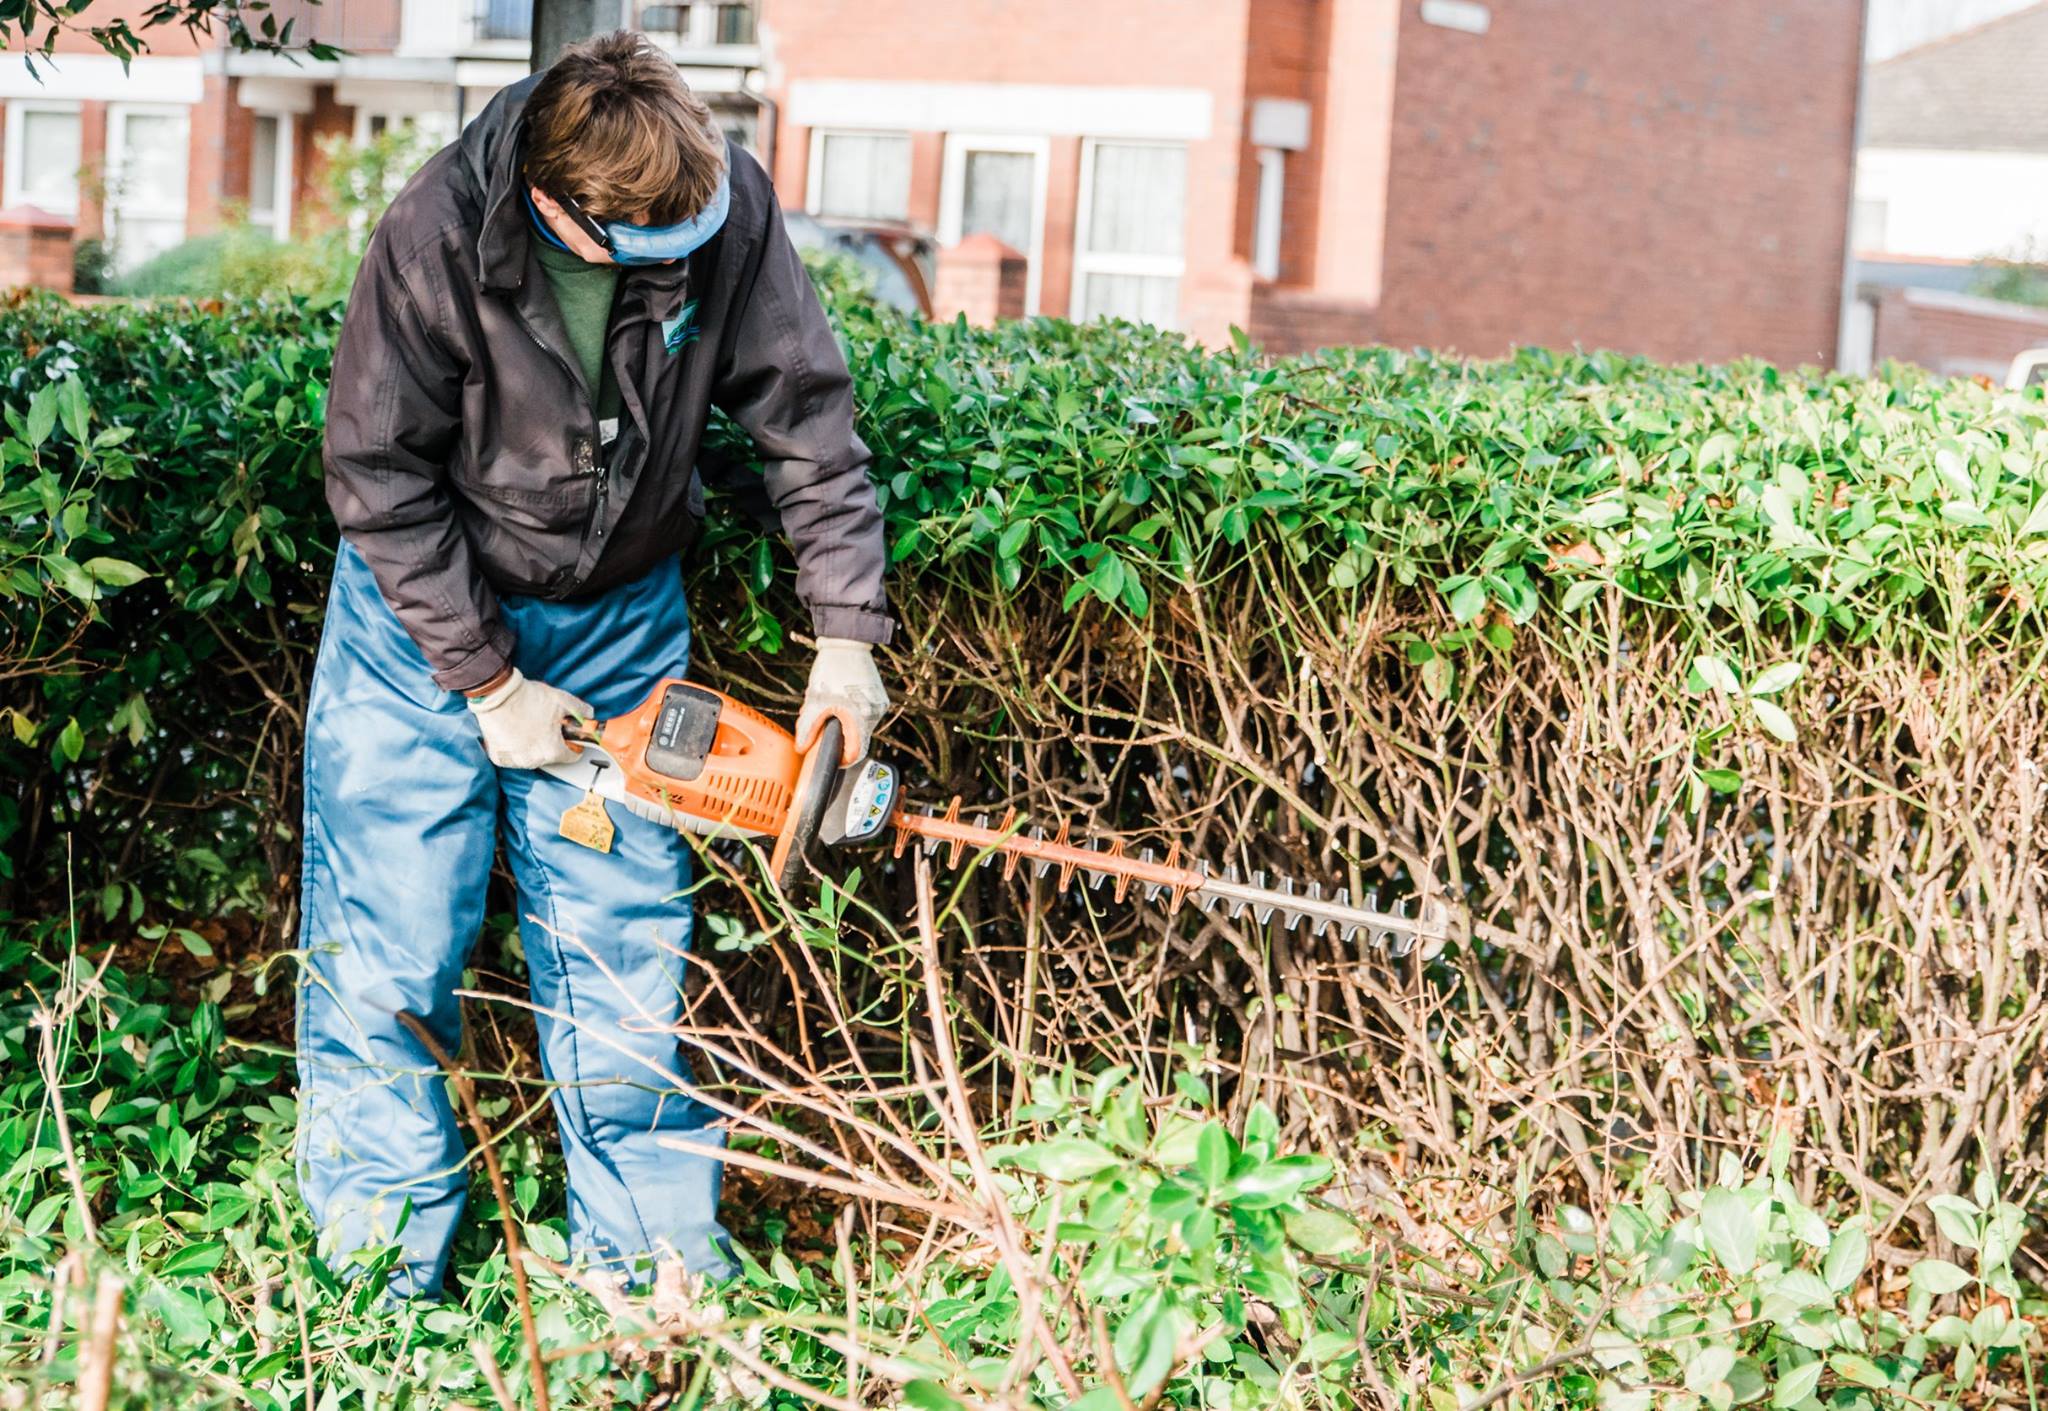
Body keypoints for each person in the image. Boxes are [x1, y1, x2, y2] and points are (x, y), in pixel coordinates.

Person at [298, 31, 891, 1298]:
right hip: (424, 628)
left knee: (624, 945)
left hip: (620, 614)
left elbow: (809, 429)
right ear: (555, 212)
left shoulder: (720, 202)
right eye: (647, 251)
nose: (682, 266)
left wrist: (846, 640)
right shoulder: (436, 234)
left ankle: (656, 1268)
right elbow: (377, 478)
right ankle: (373, 1276)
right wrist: (490, 685)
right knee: (392, 940)